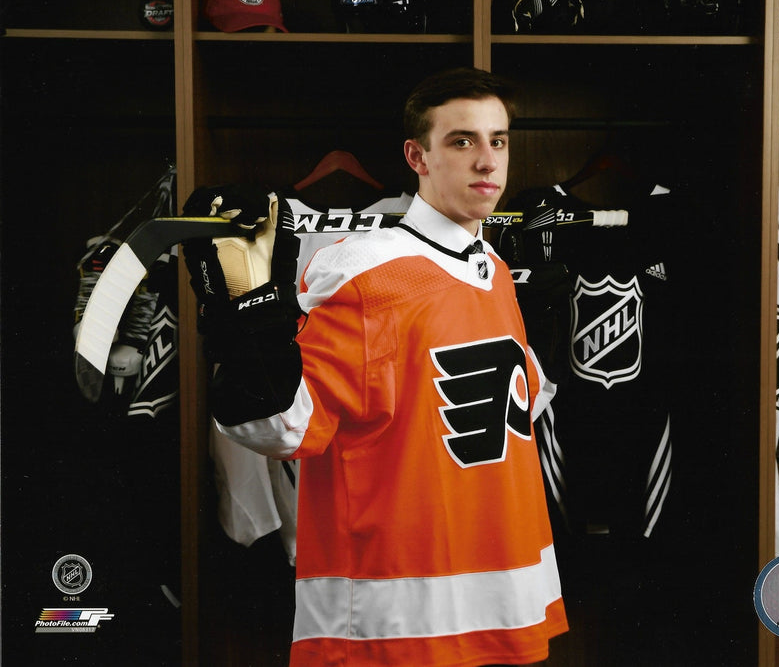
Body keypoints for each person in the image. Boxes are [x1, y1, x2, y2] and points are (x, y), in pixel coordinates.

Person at [182, 67, 568, 667]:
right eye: (462, 141)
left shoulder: (488, 261)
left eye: (499, 140)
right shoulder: (362, 271)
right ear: (417, 156)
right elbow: (280, 430)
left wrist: (541, 325)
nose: (488, 162)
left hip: (506, 593)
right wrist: (243, 321)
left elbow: (515, 407)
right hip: (394, 615)